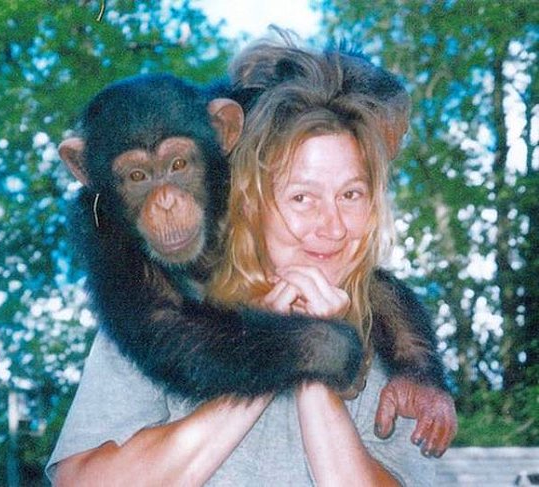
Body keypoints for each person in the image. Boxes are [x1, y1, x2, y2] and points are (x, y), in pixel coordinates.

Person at [47, 35, 436, 486]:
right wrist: (294, 344)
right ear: (250, 196)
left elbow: (375, 285)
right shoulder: (141, 270)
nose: (330, 225)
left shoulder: (385, 344)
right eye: (302, 196)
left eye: (352, 194)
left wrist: (405, 371)